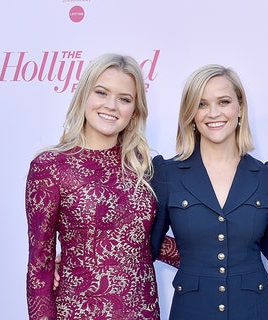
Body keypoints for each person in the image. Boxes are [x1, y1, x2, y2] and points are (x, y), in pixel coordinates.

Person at [25, 53, 177, 319]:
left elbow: (142, 242)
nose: (111, 105)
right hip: (77, 312)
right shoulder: (50, 166)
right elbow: (40, 267)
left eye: (124, 99)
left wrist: (220, 252)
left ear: (135, 110)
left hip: (142, 312)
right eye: (102, 93)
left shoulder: (144, 167)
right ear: (84, 95)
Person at [150, 64, 268, 319]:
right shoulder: (167, 174)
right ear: (190, 113)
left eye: (223, 101)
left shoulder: (267, 176)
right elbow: (144, 247)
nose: (213, 113)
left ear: (240, 108)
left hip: (254, 311)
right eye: (201, 104)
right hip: (192, 310)